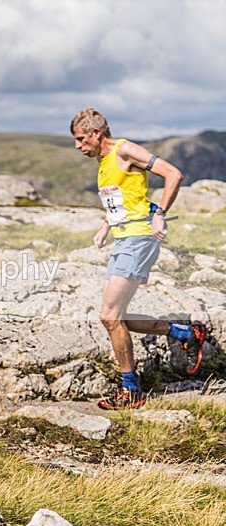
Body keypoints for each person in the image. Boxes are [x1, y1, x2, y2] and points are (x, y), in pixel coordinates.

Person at [71, 107, 206, 410]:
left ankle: (131, 390)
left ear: (96, 133)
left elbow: (174, 173)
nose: (79, 146)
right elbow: (122, 199)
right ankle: (186, 333)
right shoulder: (104, 161)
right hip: (124, 239)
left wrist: (160, 214)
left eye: (81, 139)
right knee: (114, 317)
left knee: (109, 316)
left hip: (140, 238)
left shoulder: (124, 149)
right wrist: (105, 226)